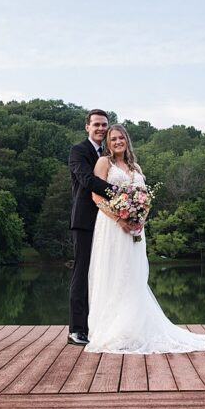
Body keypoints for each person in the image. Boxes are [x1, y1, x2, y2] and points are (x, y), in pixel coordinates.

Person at [84, 124, 205, 354]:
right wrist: (119, 219)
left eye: (121, 138)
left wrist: (140, 219)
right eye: (113, 139)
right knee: (114, 272)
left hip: (135, 228)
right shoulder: (104, 163)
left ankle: (134, 328)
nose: (118, 142)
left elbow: (144, 198)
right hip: (111, 227)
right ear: (108, 143)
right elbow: (96, 197)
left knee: (134, 275)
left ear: (127, 140)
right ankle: (113, 329)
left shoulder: (135, 167)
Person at [67, 109, 132, 346]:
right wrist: (122, 193)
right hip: (86, 221)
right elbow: (87, 180)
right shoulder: (79, 151)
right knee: (83, 273)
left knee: (108, 273)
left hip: (109, 223)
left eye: (104, 125)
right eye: (96, 124)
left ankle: (104, 327)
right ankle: (77, 330)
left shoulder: (110, 155)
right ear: (87, 127)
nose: (101, 128)